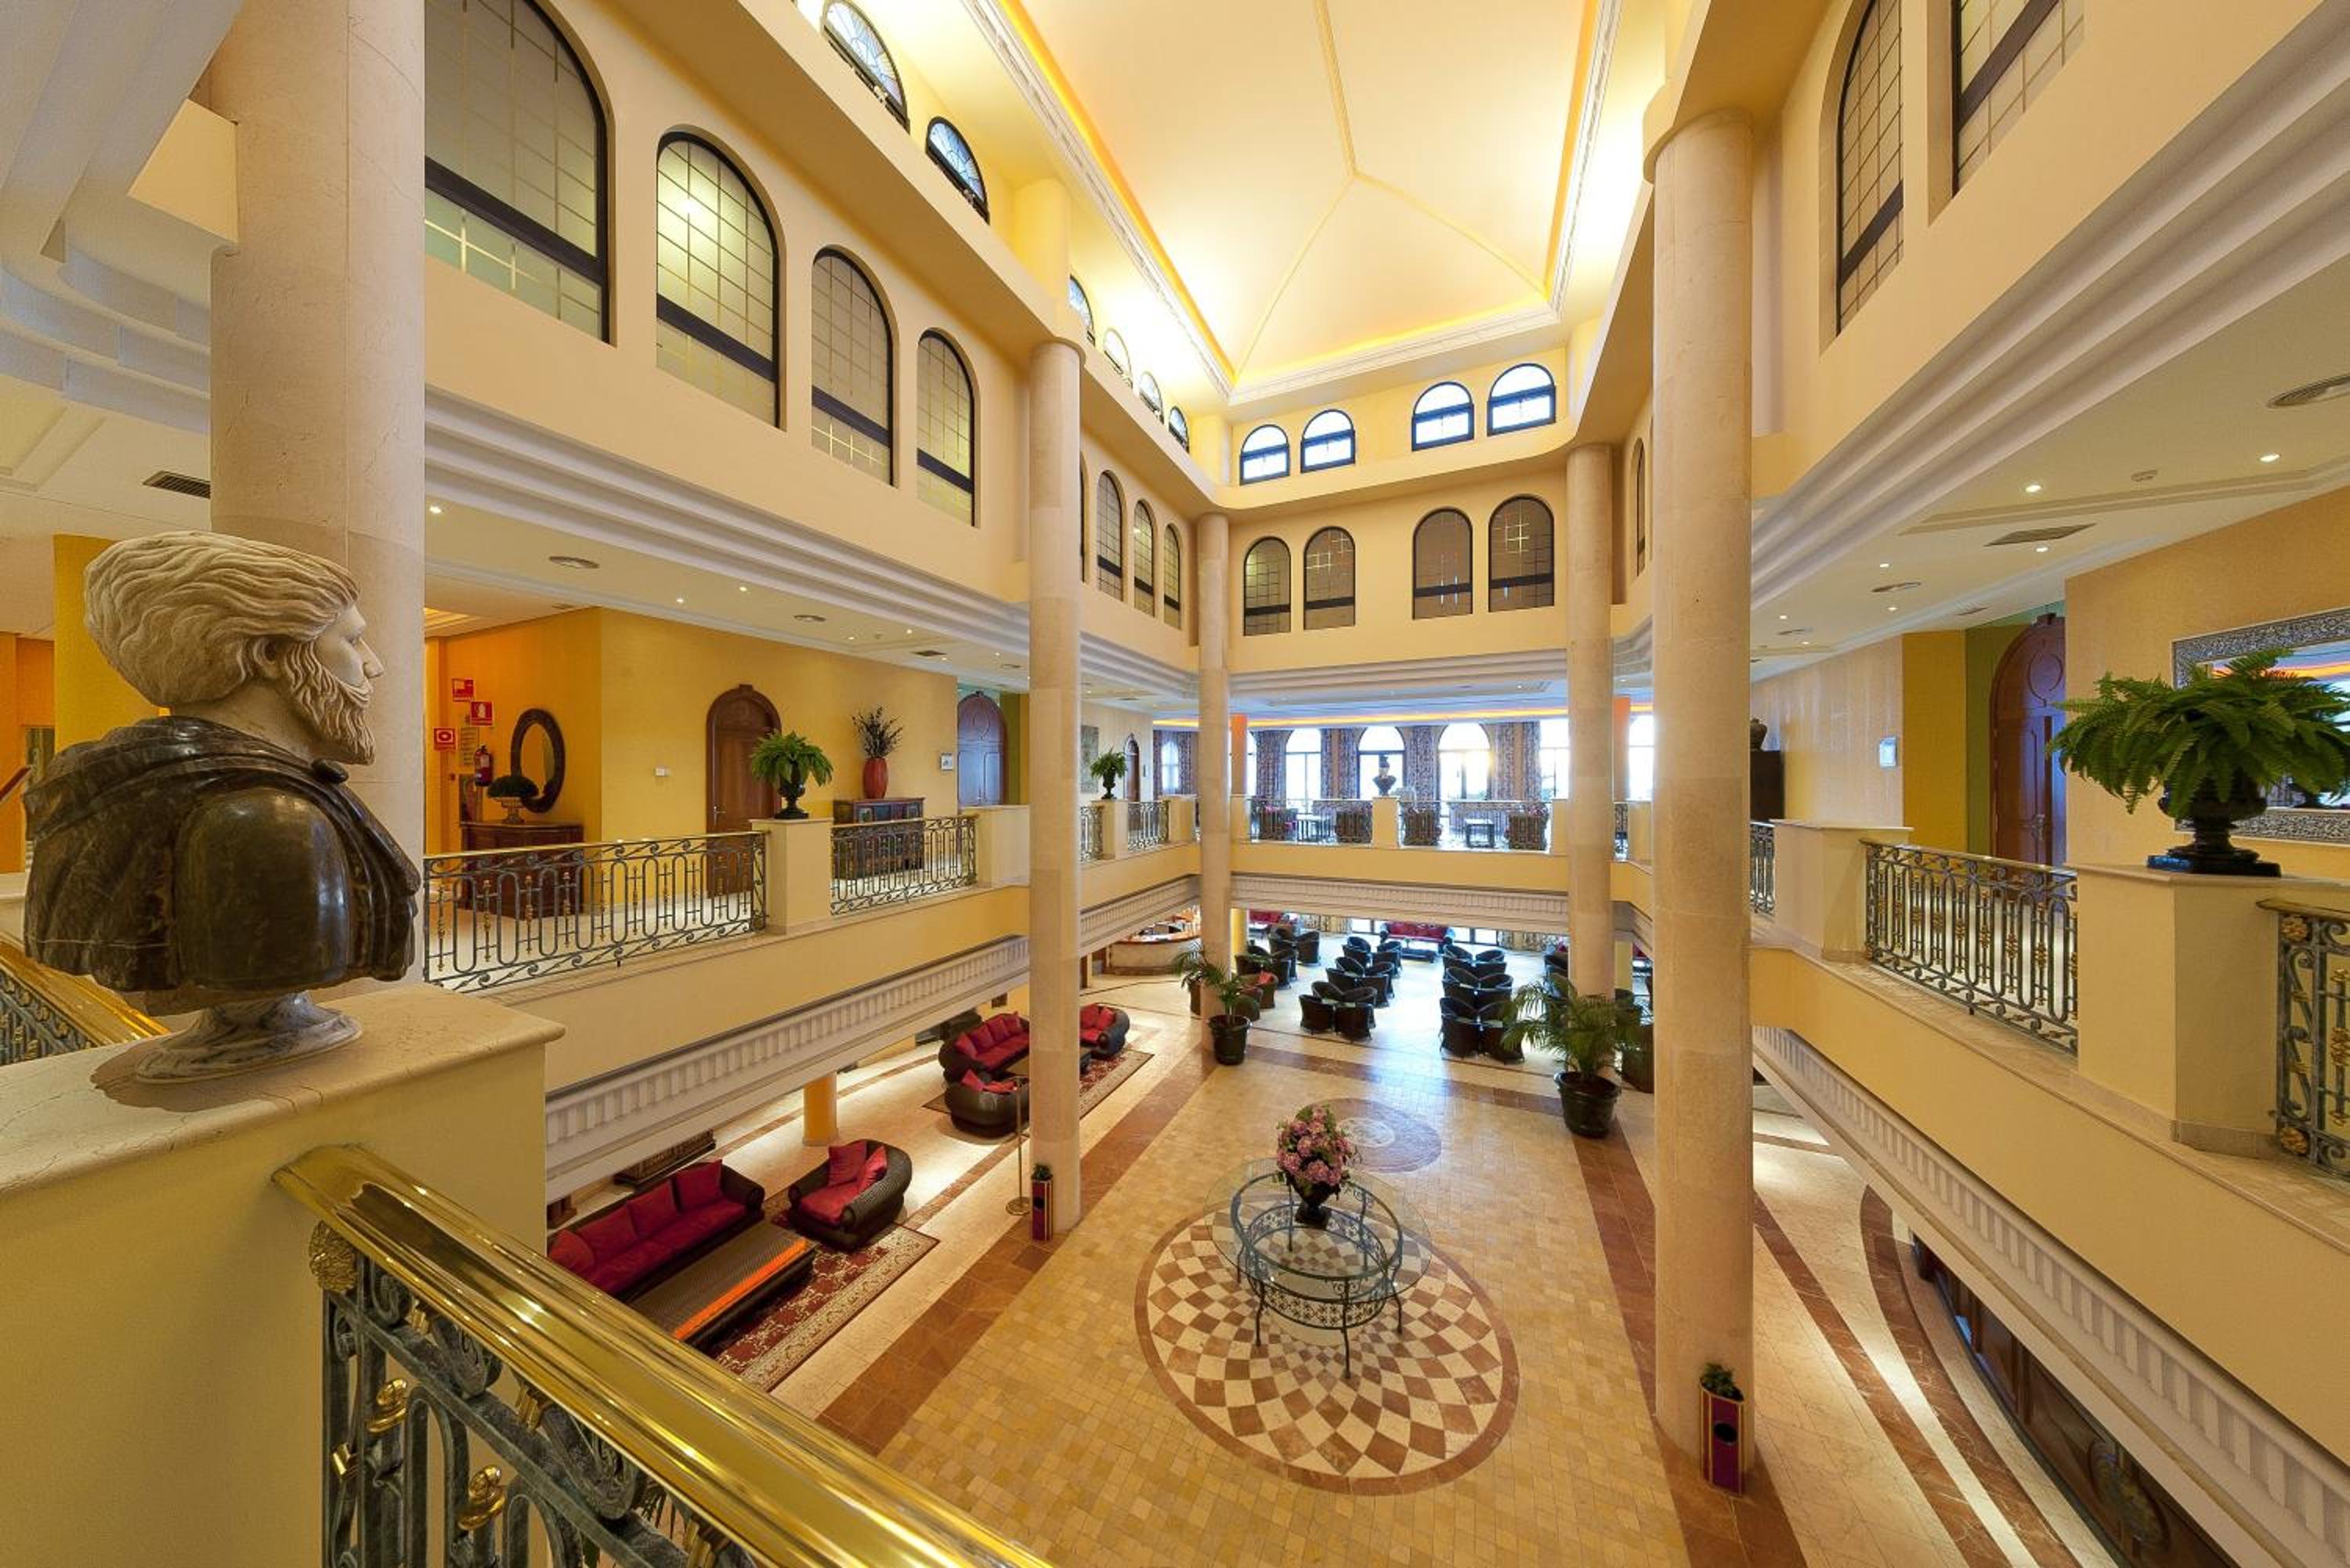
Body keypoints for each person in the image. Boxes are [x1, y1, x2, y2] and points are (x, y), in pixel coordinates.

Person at [24, 531, 418, 1079]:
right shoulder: (266, 822)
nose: (373, 666)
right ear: (271, 654)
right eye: (352, 641)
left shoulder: (131, 784)